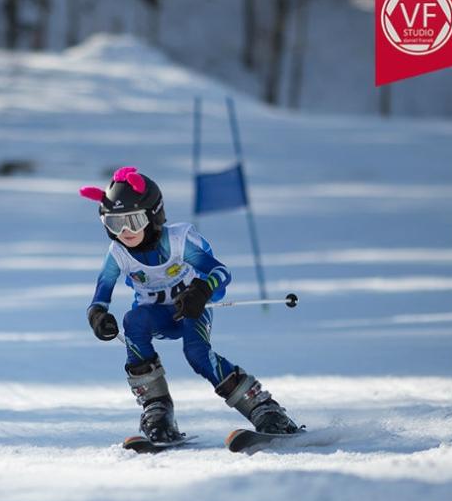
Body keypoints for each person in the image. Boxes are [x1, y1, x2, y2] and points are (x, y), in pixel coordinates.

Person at [79, 166, 299, 443]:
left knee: (196, 354)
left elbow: (220, 272)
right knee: (133, 321)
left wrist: (201, 290)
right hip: (157, 317)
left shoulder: (178, 240)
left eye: (133, 221)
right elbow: (100, 296)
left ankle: (263, 408)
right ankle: (157, 409)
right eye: (114, 223)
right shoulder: (119, 253)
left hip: (192, 310)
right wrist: (98, 316)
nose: (125, 231)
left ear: (153, 214)